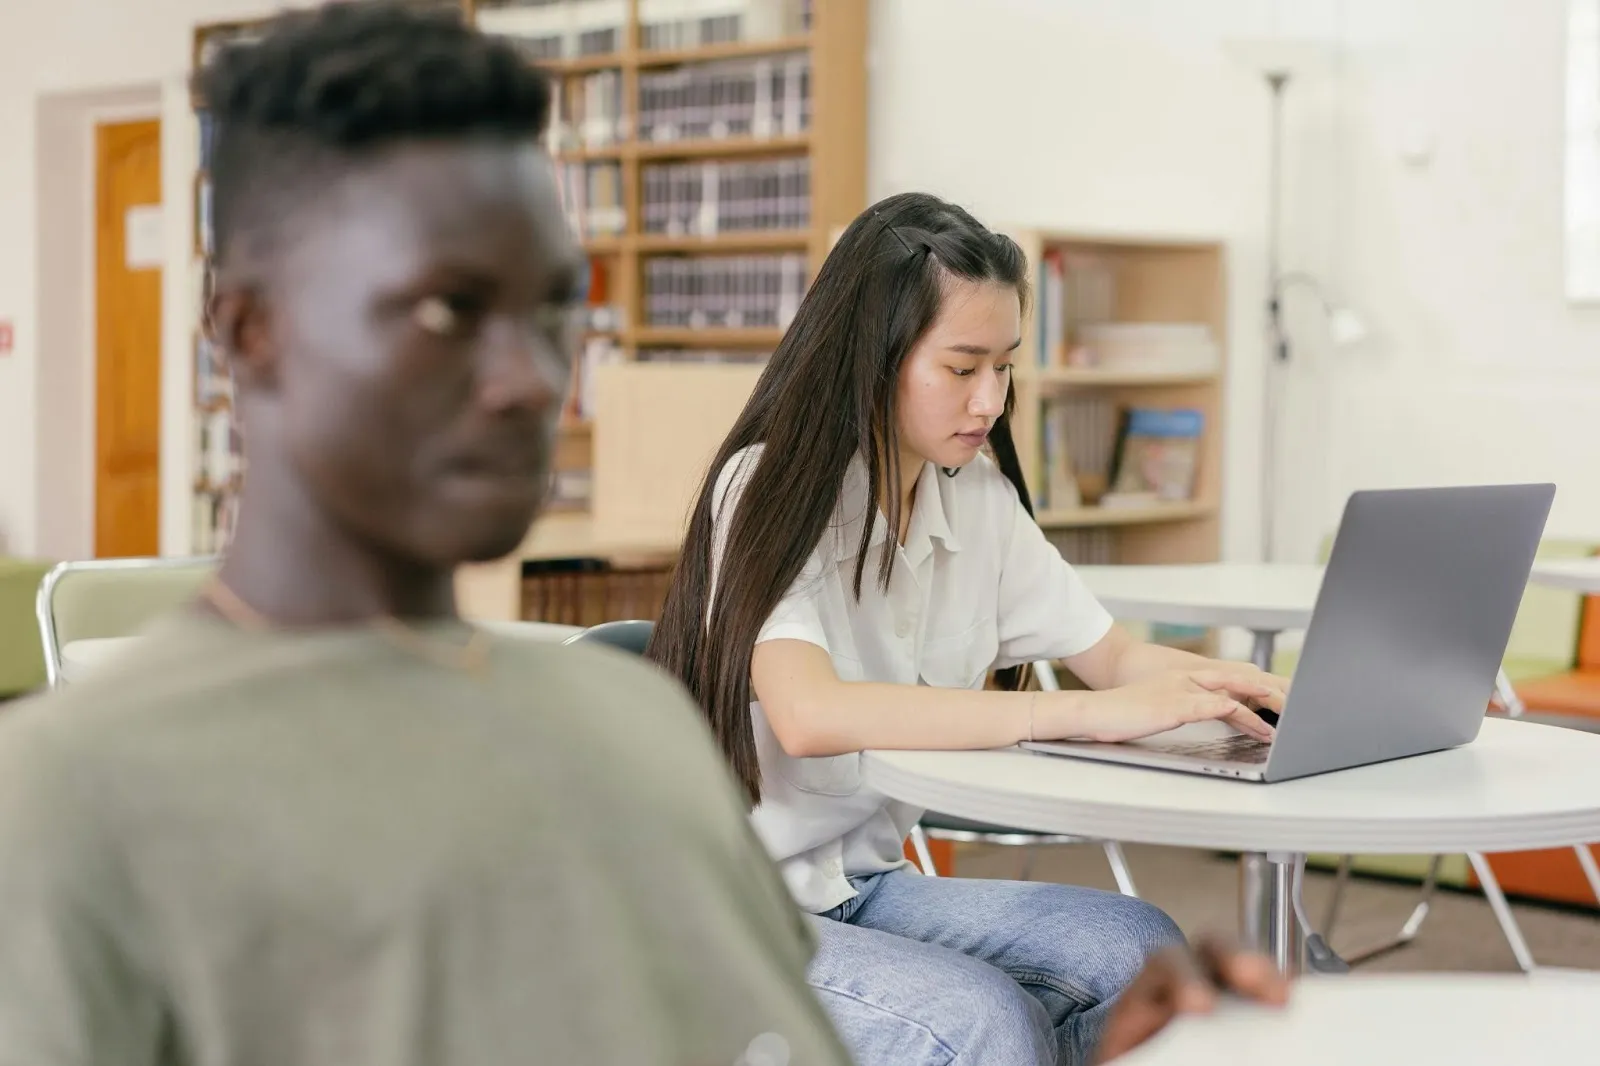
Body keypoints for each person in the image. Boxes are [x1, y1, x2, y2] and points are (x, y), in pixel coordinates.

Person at [0, 6, 855, 1064]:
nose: (531, 378)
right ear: (249, 333)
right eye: (448, 309)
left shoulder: (637, 730)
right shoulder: (75, 794)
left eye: (553, 311)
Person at [648, 191, 1291, 1065]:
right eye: (961, 368)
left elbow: (1111, 656)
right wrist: (1070, 714)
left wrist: (1248, 690)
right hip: (730, 911)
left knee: (1144, 955)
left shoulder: (976, 500)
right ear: (871, 358)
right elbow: (808, 712)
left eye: (1005, 365)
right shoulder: (765, 488)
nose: (990, 398)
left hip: (864, 887)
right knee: (984, 1022)